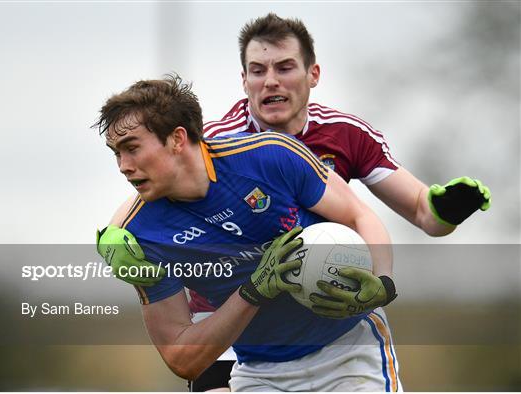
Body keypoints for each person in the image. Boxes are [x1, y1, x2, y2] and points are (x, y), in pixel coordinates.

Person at [99, 13, 491, 391]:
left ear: (312, 74)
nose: (270, 81)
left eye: (284, 67)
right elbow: (145, 204)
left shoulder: (329, 138)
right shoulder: (214, 141)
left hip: (340, 337)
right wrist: (113, 235)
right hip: (229, 329)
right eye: (257, 70)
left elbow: (405, 212)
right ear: (244, 80)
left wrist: (400, 263)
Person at [95, 75, 400, 391]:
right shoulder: (139, 240)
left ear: (177, 139)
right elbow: (182, 358)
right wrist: (253, 292)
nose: (123, 166)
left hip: (349, 353)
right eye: (116, 153)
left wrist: (384, 282)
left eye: (131, 148)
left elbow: (358, 214)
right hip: (260, 373)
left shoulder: (271, 157)